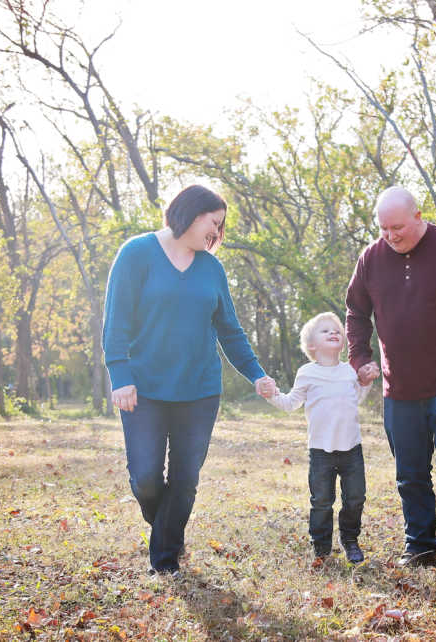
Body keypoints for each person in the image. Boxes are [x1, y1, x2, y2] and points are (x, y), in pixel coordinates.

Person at [103, 184, 276, 576]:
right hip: (143, 389)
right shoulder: (137, 253)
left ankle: (165, 561)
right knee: (145, 478)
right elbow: (116, 322)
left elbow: (230, 331)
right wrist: (120, 374)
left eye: (221, 227)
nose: (217, 234)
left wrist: (256, 374)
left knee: (185, 478)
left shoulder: (212, 268)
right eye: (214, 223)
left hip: (199, 390)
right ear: (191, 212)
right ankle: (170, 531)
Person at [345, 186, 436, 576]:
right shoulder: (371, 258)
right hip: (400, 388)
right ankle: (420, 546)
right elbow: (356, 312)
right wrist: (360, 357)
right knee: (410, 472)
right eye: (383, 228)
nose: (390, 235)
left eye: (397, 227)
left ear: (418, 216)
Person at [264, 312, 379, 563]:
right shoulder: (306, 373)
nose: (333, 332)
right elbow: (290, 403)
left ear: (342, 342)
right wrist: (272, 394)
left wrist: (366, 381)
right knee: (321, 501)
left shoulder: (349, 371)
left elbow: (356, 398)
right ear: (312, 346)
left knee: (356, 497)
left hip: (351, 448)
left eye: (336, 330)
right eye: (325, 330)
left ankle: (349, 539)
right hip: (320, 451)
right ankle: (321, 545)